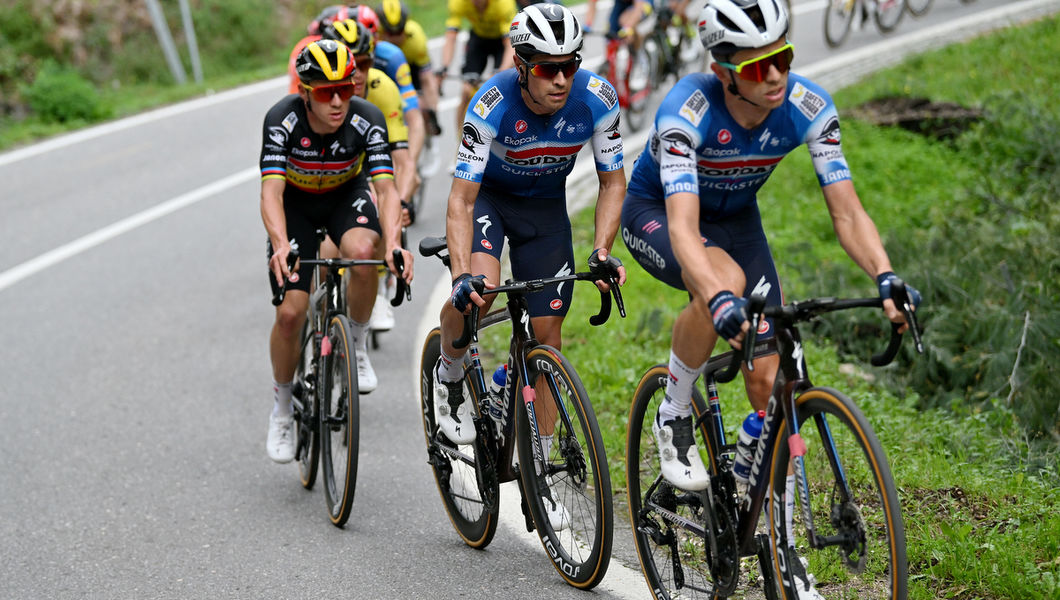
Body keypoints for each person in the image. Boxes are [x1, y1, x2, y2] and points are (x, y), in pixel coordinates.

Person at [620, 0, 920, 595]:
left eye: (783, 57)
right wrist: (718, 300)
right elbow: (684, 232)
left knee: (769, 383)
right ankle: (675, 407)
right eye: (760, 68)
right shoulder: (689, 108)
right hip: (660, 213)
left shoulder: (806, 105)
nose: (777, 75)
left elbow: (847, 210)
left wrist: (884, 275)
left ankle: (781, 547)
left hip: (738, 222)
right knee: (722, 283)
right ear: (727, 71)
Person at [261, 39, 414, 463]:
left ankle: (358, 347)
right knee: (290, 314)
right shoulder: (282, 120)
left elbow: (385, 189)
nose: (337, 101)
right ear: (305, 91)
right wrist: (279, 245)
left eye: (345, 89)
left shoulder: (367, 118)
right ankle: (281, 407)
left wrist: (394, 244)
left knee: (365, 252)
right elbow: (271, 192)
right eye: (326, 92)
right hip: (297, 205)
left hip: (346, 196)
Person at [436, 0, 518, 142]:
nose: (476, 2)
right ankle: (460, 143)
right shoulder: (458, 3)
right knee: (466, 91)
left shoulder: (503, 4)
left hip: (502, 42)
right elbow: (451, 37)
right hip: (479, 40)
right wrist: (444, 67)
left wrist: (501, 72)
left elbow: (510, 44)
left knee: (500, 90)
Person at [377, 0, 443, 136]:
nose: (395, 38)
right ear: (382, 31)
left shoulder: (416, 38)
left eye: (399, 32)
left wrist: (432, 112)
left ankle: (430, 144)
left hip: (410, 69)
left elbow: (427, 79)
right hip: (385, 70)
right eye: (390, 34)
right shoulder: (375, 37)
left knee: (421, 107)